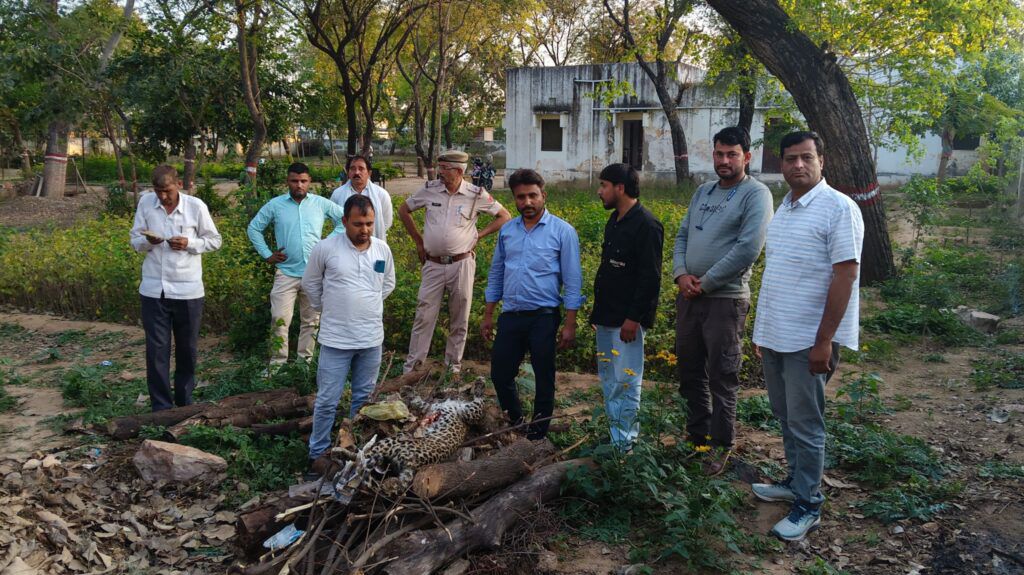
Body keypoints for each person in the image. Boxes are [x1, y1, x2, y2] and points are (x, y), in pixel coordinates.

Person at [750, 131, 864, 541]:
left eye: (806, 157)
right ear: (781, 164)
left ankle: (809, 503)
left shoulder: (838, 208)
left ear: (822, 161)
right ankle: (795, 482)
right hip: (778, 334)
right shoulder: (787, 207)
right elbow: (780, 274)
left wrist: (823, 342)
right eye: (790, 158)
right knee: (786, 417)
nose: (798, 165)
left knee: (806, 424)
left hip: (809, 341)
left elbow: (846, 275)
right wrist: (763, 330)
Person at [673, 126, 774, 475]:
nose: (724, 160)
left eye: (732, 154)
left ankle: (721, 446)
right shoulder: (703, 191)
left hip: (725, 301)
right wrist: (681, 274)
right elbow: (683, 235)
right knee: (690, 372)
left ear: (747, 157)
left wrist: (707, 282)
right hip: (689, 298)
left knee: (722, 375)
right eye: (719, 153)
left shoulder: (756, 195)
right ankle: (697, 439)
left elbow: (748, 248)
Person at [481, 169, 583, 440]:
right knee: (501, 374)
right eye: (521, 197)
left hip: (544, 316)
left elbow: (573, 281)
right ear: (514, 199)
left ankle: (537, 436)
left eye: (532, 196)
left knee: (544, 377)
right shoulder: (508, 231)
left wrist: (570, 323)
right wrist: (489, 313)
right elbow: (497, 273)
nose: (527, 202)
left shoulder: (563, 232)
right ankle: (516, 423)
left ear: (543, 195)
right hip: (511, 315)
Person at [398, 150, 511, 374]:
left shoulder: (476, 194)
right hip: (432, 264)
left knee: (460, 318)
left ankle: (452, 369)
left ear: (458, 171)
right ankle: (412, 370)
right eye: (439, 167)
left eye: (444, 168)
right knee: (424, 316)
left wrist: (479, 235)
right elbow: (404, 210)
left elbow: (504, 216)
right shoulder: (430, 191)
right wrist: (419, 242)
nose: (440, 172)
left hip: (462, 264)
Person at [303, 194, 395, 465]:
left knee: (364, 402)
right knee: (327, 401)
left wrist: (367, 305)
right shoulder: (326, 248)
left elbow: (387, 283)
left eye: (369, 223)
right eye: (358, 224)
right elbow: (311, 284)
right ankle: (317, 454)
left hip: (371, 340)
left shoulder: (382, 250)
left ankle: (356, 453)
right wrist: (331, 308)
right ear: (344, 221)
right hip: (336, 340)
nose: (364, 230)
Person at [130, 165, 222, 411]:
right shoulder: (146, 204)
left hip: (188, 291)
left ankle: (184, 403)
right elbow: (134, 239)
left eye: (167, 191)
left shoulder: (196, 207)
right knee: (156, 350)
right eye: (158, 191)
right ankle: (161, 407)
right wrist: (148, 242)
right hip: (153, 290)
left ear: (178, 184)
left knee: (187, 349)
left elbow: (215, 240)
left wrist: (190, 243)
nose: (162, 196)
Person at [591, 163, 664, 451]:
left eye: (604, 186)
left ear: (620, 188)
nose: (600, 192)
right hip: (608, 316)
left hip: (626, 323)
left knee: (627, 381)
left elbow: (650, 277)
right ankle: (615, 435)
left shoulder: (646, 224)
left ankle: (625, 445)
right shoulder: (616, 221)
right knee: (609, 379)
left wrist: (633, 319)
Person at [247, 162, 344, 366]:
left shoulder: (320, 203)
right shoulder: (276, 205)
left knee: (311, 322)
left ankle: (304, 364)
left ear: (309, 182)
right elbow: (254, 228)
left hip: (314, 274)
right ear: (287, 182)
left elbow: (345, 219)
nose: (299, 185)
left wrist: (327, 243)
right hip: (286, 272)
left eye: (303, 181)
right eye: (294, 181)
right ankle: (277, 364)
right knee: (279, 319)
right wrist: (266, 254)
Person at [330, 155, 393, 242]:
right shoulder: (337, 194)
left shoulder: (381, 195)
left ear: (369, 173)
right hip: (345, 244)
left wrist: (366, 234)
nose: (357, 172)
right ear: (348, 172)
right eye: (352, 169)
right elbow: (336, 221)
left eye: (361, 169)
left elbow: (386, 222)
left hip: (373, 242)